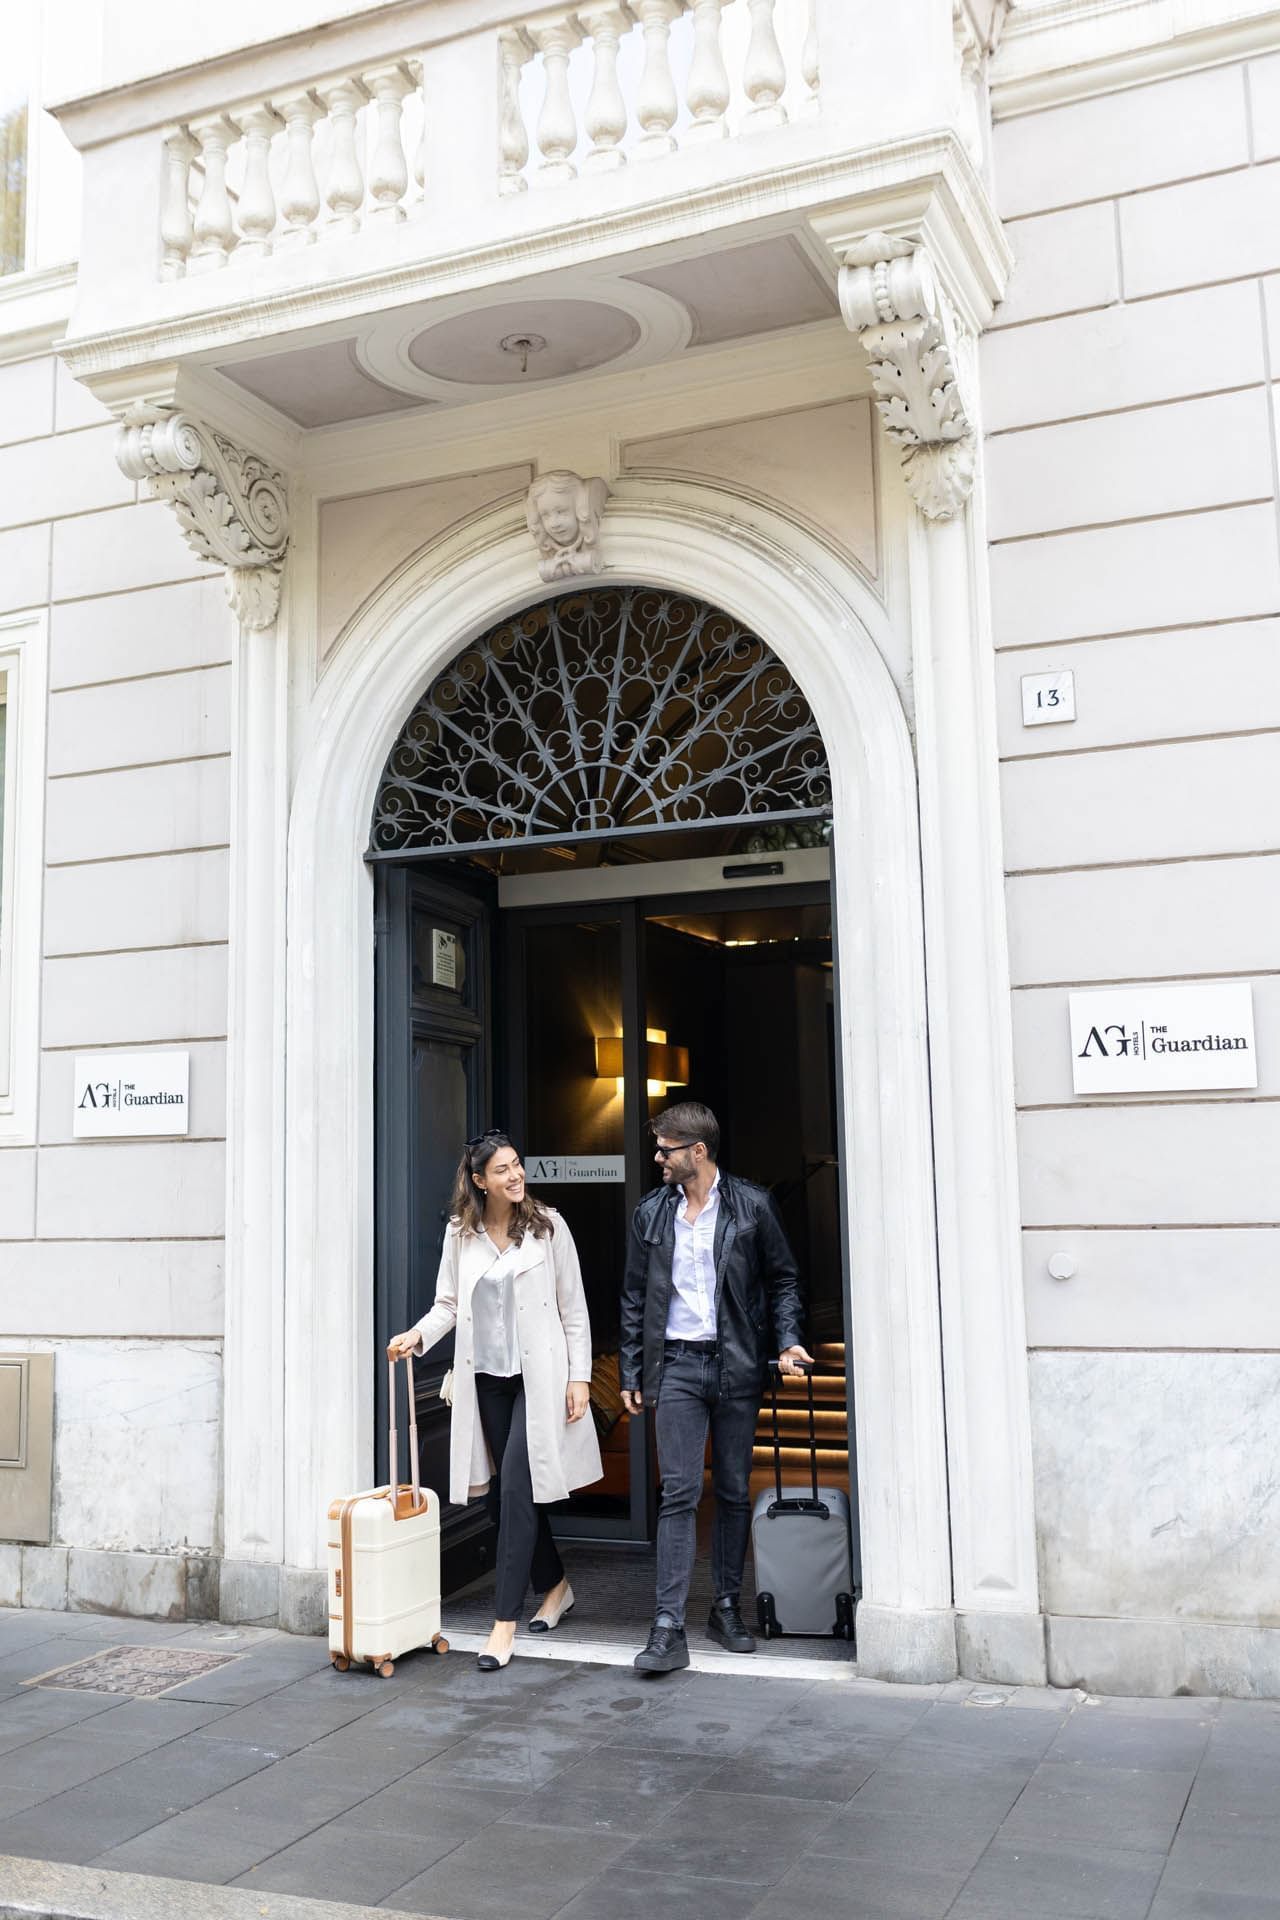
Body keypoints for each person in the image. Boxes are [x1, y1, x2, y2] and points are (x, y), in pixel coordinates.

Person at [389, 1129, 601, 1671]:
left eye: (517, 1165)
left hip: (541, 1379)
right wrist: (418, 1336)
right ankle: (554, 1586)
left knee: (515, 1487)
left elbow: (573, 1311)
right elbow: (448, 1304)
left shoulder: (550, 1228)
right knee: (504, 1497)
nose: (515, 1175)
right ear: (480, 1180)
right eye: (502, 1169)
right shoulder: (462, 1233)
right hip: (486, 1378)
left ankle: (503, 1624)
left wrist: (580, 1378)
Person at [620, 1101, 812, 1672]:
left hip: (736, 1364)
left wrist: (788, 1340)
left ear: (697, 1152)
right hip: (676, 1365)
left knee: (731, 1490)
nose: (657, 1158)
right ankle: (667, 1626)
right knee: (678, 1492)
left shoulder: (752, 1205)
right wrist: (632, 1369)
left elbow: (783, 1279)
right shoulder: (652, 1213)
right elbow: (635, 1296)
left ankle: (725, 1606)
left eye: (666, 1149)